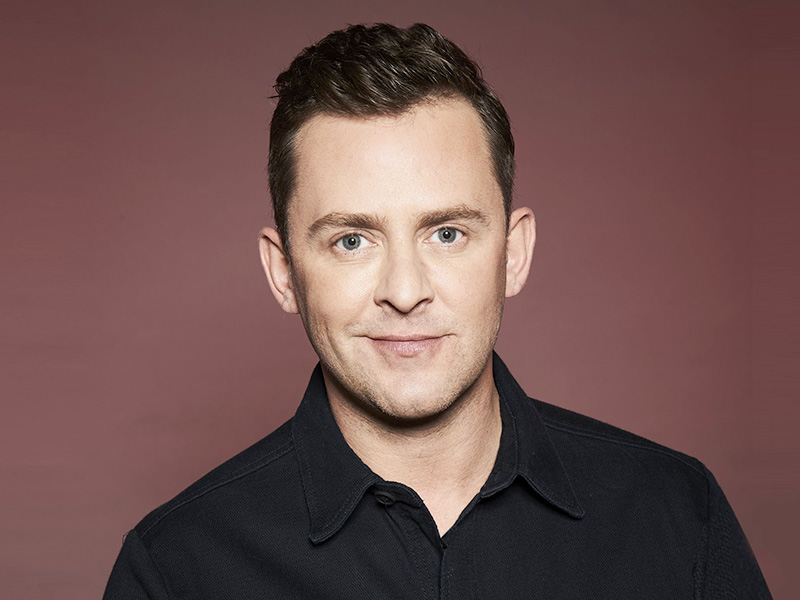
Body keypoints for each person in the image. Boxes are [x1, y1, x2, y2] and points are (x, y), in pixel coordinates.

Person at [103, 23, 771, 599]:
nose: (404, 290)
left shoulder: (679, 515)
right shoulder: (175, 570)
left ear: (513, 254)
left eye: (447, 233)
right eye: (352, 240)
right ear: (284, 273)